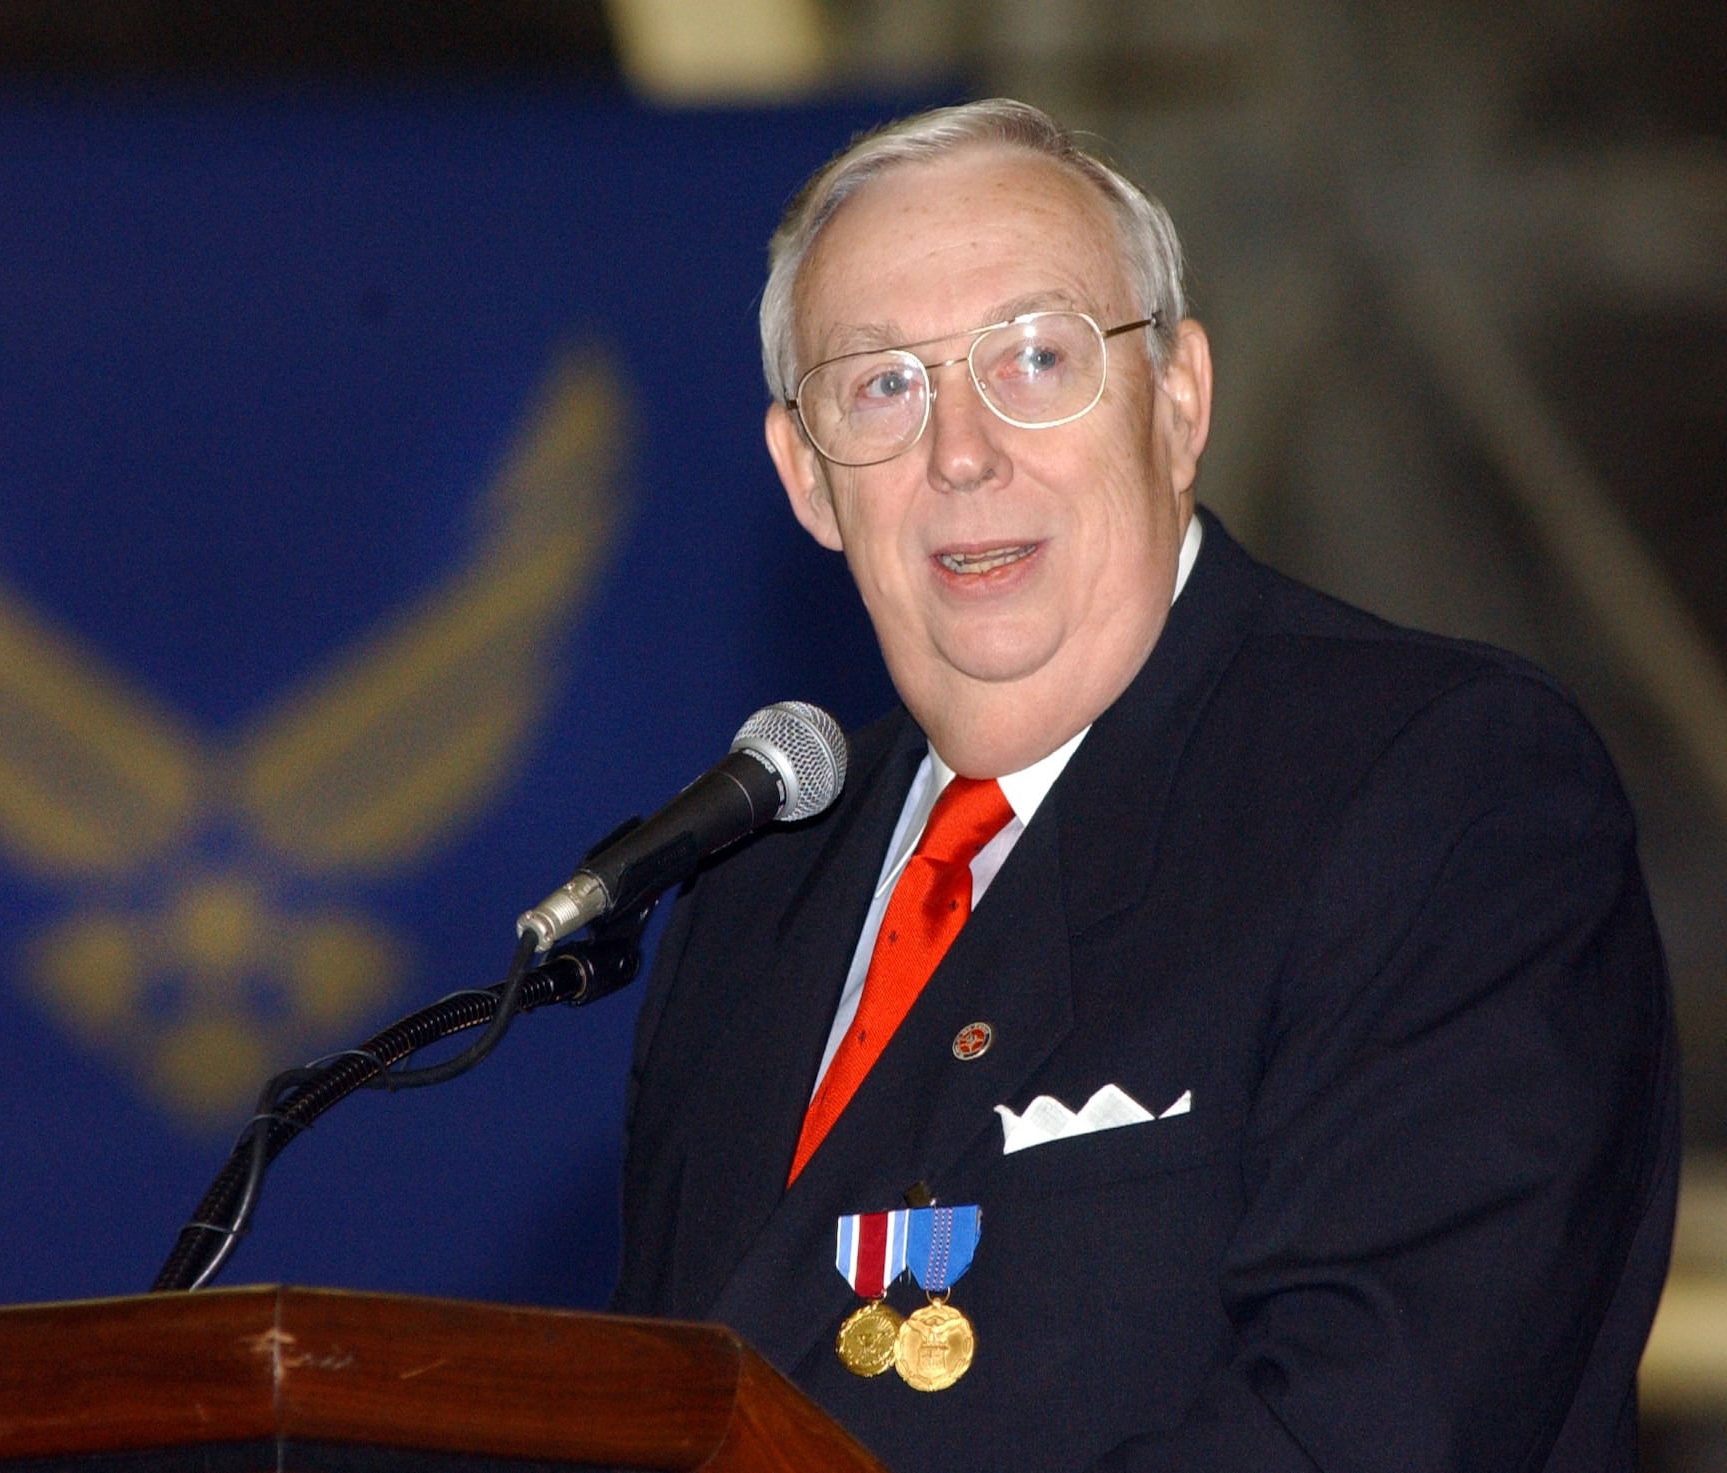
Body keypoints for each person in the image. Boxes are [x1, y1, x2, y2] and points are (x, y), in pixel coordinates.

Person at [610, 99, 1677, 1472]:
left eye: (1037, 357)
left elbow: (1370, 1426)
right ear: (807, 479)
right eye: (884, 384)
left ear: (1179, 404)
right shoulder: (751, 882)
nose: (961, 451)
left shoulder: (1442, 787)